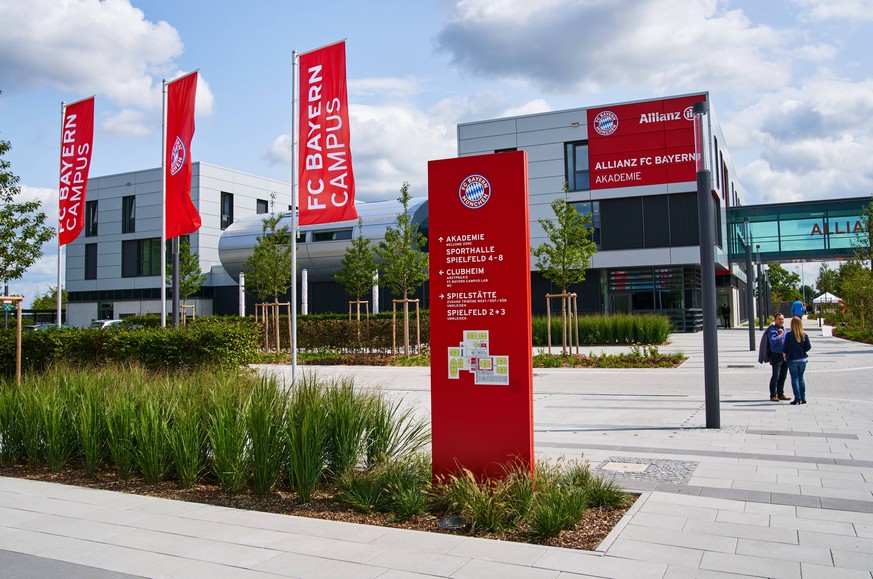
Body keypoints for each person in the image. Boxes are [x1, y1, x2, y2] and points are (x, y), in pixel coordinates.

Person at [783, 316, 811, 404]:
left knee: (794, 379)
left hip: (792, 359)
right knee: (801, 378)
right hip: (802, 359)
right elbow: (808, 347)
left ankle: (797, 398)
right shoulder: (804, 335)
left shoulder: (789, 335)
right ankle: (803, 398)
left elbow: (785, 347)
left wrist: (785, 354)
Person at [767, 313, 790, 401]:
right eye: (779, 319)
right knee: (775, 376)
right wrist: (780, 335)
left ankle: (780, 393)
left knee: (783, 375)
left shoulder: (785, 329)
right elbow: (772, 341)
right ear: (775, 320)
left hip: (784, 355)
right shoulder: (772, 330)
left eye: (782, 319)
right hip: (776, 355)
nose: (781, 321)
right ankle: (773, 395)